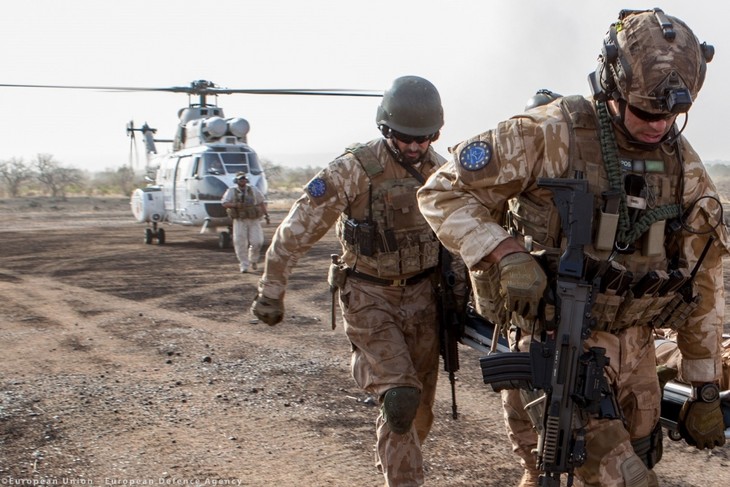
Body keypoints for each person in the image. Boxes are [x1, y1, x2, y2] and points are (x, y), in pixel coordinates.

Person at [417, 8, 728, 487]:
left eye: (671, 116)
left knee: (635, 463)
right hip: (556, 345)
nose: (658, 127)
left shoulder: (680, 163)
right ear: (611, 83)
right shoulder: (548, 133)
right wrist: (505, 253)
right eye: (647, 112)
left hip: (637, 354)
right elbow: (441, 191)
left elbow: (702, 276)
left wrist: (704, 384)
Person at [251, 75, 450, 486]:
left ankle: (398, 455)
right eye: (404, 137)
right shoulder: (353, 171)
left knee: (419, 414)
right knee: (400, 400)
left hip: (425, 299)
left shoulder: (441, 174)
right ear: (384, 128)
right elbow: (297, 229)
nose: (415, 146)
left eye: (425, 137)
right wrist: (272, 290)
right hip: (369, 296)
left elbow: (463, 238)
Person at [221, 172, 268, 273]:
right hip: (240, 220)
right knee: (240, 242)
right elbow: (224, 203)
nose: (242, 181)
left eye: (244, 179)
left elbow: (261, 202)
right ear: (236, 181)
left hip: (253, 219)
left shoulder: (253, 190)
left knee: (257, 242)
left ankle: (253, 260)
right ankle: (244, 264)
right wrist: (235, 205)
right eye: (240, 179)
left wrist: (266, 214)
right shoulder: (231, 191)